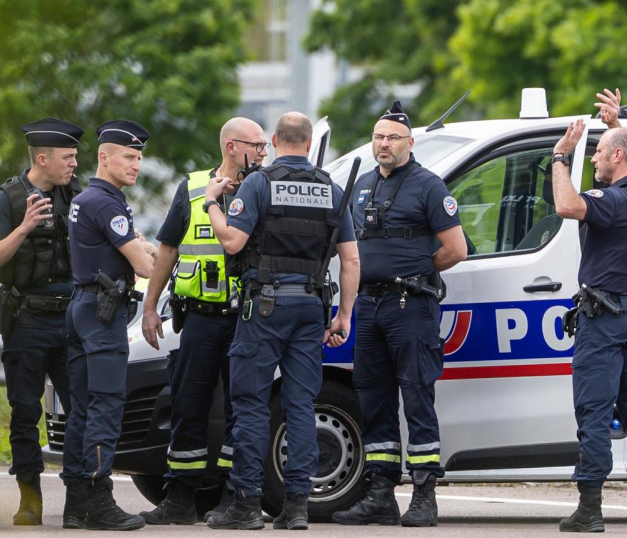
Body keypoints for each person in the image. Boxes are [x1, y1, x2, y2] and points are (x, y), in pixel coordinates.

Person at [201, 112, 361, 531]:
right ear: (308, 143)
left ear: (273, 141)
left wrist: (211, 203)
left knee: (251, 404)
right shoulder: (331, 189)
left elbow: (232, 240)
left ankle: (247, 504)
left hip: (265, 308)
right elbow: (351, 260)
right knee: (301, 405)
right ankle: (296, 507)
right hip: (310, 309)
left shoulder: (259, 183)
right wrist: (344, 314)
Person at [332, 101, 467, 528]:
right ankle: (380, 495)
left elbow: (456, 249)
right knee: (374, 401)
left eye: (392, 137)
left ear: (410, 142)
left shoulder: (429, 187)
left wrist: (415, 272)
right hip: (368, 306)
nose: (384, 144)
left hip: (410, 306)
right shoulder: (362, 185)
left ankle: (424, 496)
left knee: (417, 398)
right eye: (378, 137)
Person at [138, 117, 269, 525]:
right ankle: (180, 498)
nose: (264, 153)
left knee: (240, 410)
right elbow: (167, 250)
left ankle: (232, 497)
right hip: (199, 318)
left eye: (266, 146)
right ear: (232, 147)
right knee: (187, 404)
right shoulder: (194, 187)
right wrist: (150, 307)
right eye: (257, 145)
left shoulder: (264, 187)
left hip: (246, 317)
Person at [550, 115, 627, 533]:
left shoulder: (613, 199)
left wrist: (560, 156)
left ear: (618, 156)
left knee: (594, 412)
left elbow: (566, 205)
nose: (595, 158)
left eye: (600, 152)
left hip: (604, 320)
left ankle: (590, 509)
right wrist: (617, 124)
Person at [0, 117, 82, 526]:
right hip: (28, 320)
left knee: (81, 409)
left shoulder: (78, 195)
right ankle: (30, 499)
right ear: (43, 159)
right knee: (25, 411)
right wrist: (24, 227)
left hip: (72, 319)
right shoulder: (8, 198)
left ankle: (79, 499)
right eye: (67, 157)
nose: (74, 164)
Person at [61, 120, 158, 531]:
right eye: (129, 157)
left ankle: (75, 505)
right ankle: (99, 502)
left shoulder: (88, 199)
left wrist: (140, 246)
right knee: (106, 405)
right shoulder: (106, 203)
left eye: (139, 158)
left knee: (82, 408)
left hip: (83, 307)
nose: (136, 165)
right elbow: (145, 267)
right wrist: (150, 251)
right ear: (104, 157)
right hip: (103, 314)